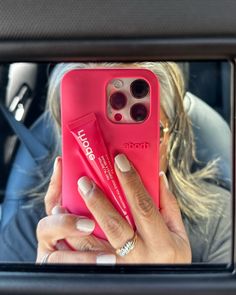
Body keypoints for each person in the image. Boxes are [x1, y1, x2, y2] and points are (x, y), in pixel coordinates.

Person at [0, 62, 231, 264]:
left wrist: (167, 283)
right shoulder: (29, 232)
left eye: (141, 135)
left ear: (170, 139)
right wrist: (44, 284)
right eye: (89, 141)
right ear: (62, 140)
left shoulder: (218, 220)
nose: (108, 162)